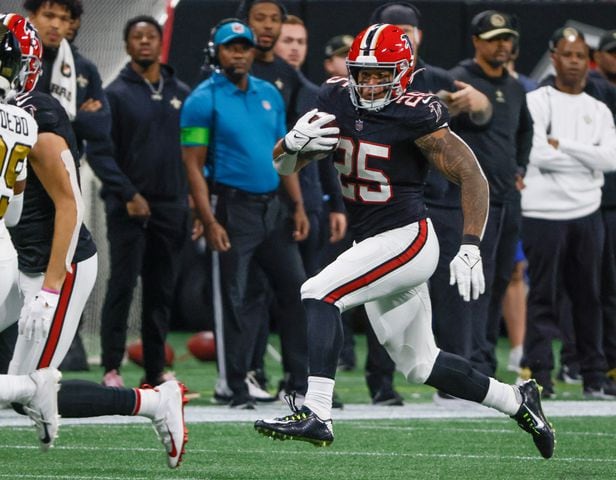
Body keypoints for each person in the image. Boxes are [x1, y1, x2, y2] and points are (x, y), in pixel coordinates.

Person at [254, 24, 555, 461]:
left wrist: (470, 243)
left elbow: (472, 174)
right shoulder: (335, 97)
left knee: (317, 292)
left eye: (382, 74)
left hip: (407, 239)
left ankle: (316, 410)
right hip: (370, 242)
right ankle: (518, 400)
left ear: (405, 72)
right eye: (364, 73)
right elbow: (284, 167)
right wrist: (289, 144)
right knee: (421, 365)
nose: (371, 83)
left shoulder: (418, 112)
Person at [2, 13, 188, 468]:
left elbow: (70, 204)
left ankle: (153, 402)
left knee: (27, 388)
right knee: (24, 387)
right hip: (20, 255)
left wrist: (47, 291)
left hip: (59, 264)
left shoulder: (38, 115)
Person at [181, 18, 307, 409]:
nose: (238, 53)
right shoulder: (202, 99)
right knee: (232, 299)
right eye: (229, 47)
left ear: (254, 51)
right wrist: (210, 218)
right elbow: (192, 166)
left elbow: (282, 153)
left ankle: (299, 383)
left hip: (272, 207)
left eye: (244, 46)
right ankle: (232, 385)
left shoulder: (269, 93)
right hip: (231, 207)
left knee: (298, 291)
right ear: (215, 53)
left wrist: (298, 204)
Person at [521, 26, 616, 399]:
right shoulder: (537, 101)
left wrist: (564, 146)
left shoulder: (598, 108)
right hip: (542, 212)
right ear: (555, 57)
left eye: (580, 56)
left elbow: (610, 159)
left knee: (589, 296)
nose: (574, 62)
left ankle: (594, 375)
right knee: (543, 295)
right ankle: (541, 373)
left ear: (586, 61)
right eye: (567, 54)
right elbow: (535, 153)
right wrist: (585, 157)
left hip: (587, 211)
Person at [100, 15, 191, 387]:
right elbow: (102, 153)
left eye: (150, 36)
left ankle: (155, 370)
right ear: (126, 45)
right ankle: (111, 368)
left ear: (159, 42)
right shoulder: (114, 94)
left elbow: (195, 150)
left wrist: (196, 204)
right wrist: (128, 194)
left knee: (161, 289)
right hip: (128, 207)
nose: (144, 42)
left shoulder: (182, 93)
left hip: (171, 206)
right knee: (122, 286)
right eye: (136, 37)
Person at [442, 10, 533, 379]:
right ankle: (462, 365)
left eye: (507, 38)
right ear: (476, 41)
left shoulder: (513, 86)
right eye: (494, 38)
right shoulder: (459, 80)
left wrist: (520, 169)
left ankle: (483, 360)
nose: (502, 45)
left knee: (499, 278)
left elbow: (525, 131)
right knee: (469, 281)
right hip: (471, 200)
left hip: (508, 199)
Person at [0, 25, 62, 450]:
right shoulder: (23, 119)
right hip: (7, 242)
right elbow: (16, 211)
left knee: (22, 382)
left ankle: (31, 388)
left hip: (17, 253)